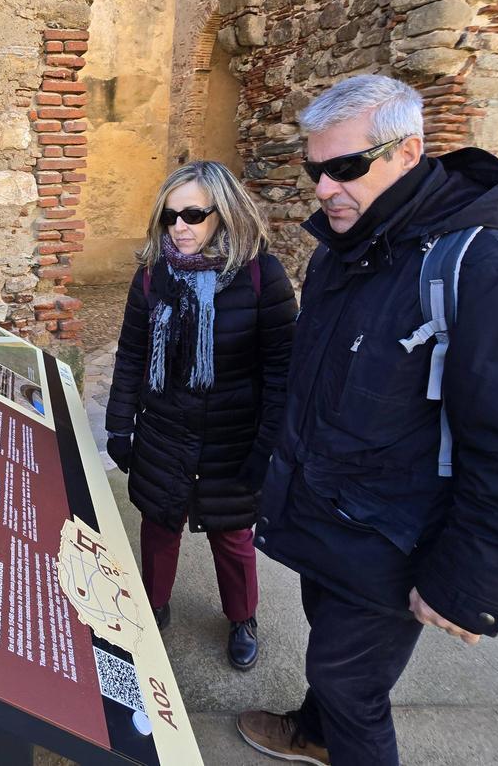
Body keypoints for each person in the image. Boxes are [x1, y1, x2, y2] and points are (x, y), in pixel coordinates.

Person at [236, 75, 498, 765]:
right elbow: (318, 391)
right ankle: (315, 734)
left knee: (351, 684)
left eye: (345, 167)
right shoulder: (349, 251)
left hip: (397, 537)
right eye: (315, 170)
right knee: (332, 661)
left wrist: (467, 584)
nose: (324, 187)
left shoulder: (489, 269)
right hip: (332, 520)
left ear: (409, 151)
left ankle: (334, 731)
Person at [105, 160, 296, 670]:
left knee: (232, 536)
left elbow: (282, 371)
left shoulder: (261, 276)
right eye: (170, 217)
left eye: (193, 214)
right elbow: (131, 354)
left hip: (233, 435)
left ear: (224, 212)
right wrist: (120, 425)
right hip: (166, 428)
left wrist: (267, 448)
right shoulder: (152, 276)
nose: (180, 228)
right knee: (159, 524)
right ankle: (153, 605)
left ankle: (242, 616)